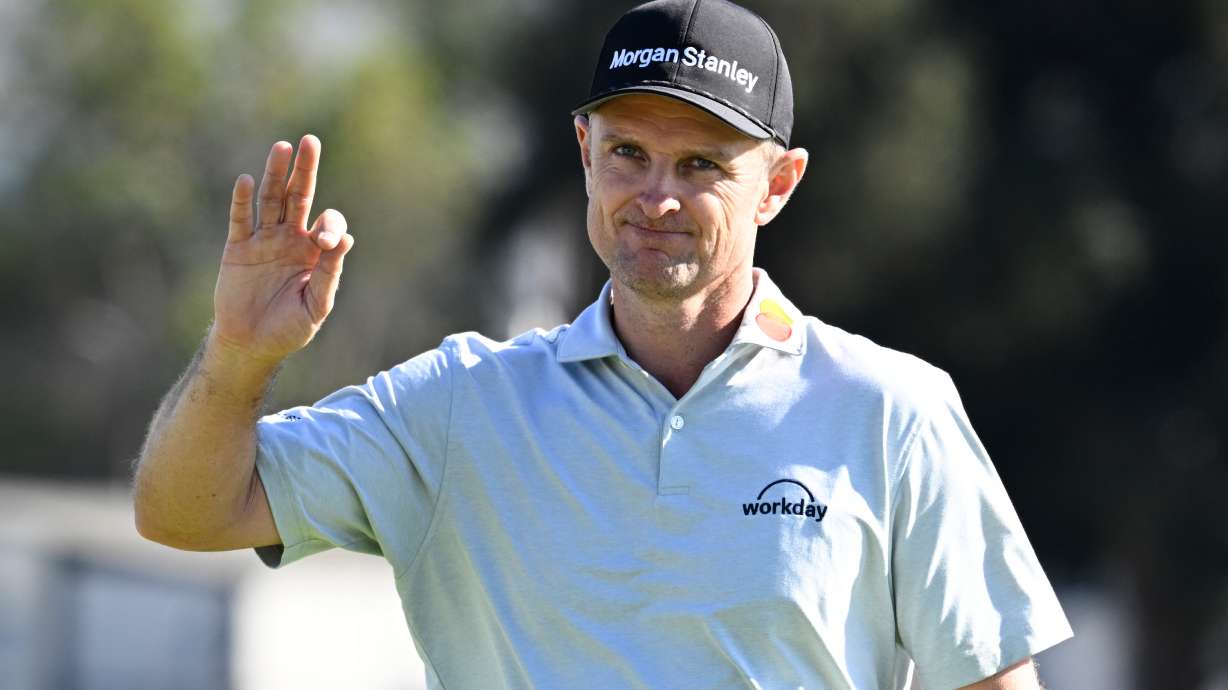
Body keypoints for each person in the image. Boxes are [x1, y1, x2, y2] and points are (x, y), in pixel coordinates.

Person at [133, 0, 1073, 687]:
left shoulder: (893, 412)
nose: (656, 197)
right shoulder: (457, 406)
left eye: (701, 164)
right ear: (585, 151)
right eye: (628, 153)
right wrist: (238, 357)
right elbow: (185, 513)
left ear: (778, 184)